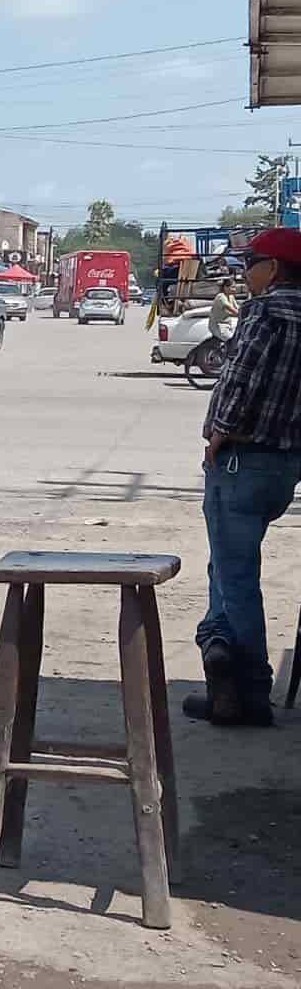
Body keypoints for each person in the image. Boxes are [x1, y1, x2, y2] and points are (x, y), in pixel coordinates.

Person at [186, 227, 301, 727]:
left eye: (250, 261)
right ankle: (221, 673)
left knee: (234, 578)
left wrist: (219, 432)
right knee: (225, 571)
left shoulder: (265, 312)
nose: (244, 270)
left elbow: (241, 379)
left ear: (272, 269)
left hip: (241, 460)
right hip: (286, 462)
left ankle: (250, 691)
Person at [209, 277, 240, 342]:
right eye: (232, 287)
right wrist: (240, 314)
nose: (234, 289)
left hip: (228, 325)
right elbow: (230, 308)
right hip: (219, 326)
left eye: (235, 287)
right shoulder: (221, 297)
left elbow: (237, 308)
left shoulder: (231, 296)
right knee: (232, 342)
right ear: (225, 287)